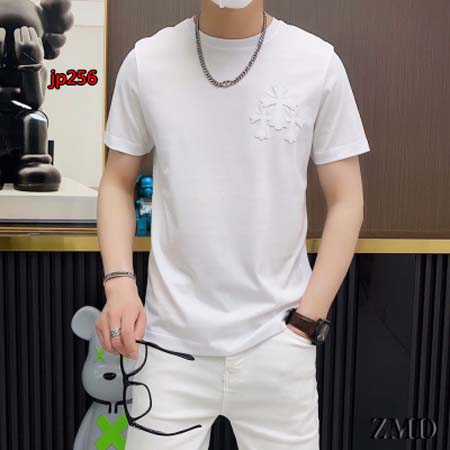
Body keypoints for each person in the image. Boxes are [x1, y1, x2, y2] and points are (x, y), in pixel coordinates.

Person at [97, 0, 371, 448]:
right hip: (168, 347)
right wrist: (119, 285)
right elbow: (116, 182)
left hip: (279, 344)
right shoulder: (147, 61)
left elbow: (346, 201)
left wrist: (306, 322)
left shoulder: (317, 62)